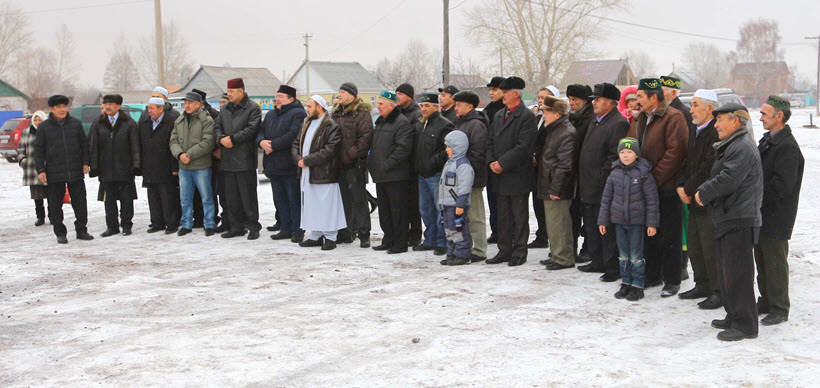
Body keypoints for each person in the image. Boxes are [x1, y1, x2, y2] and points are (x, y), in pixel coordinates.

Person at [695, 103, 762, 342]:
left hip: (739, 218)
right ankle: (734, 315)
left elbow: (729, 178)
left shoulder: (742, 146)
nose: (716, 125)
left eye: (720, 120)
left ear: (735, 120)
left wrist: (704, 191)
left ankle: (745, 325)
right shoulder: (733, 144)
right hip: (728, 217)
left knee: (738, 274)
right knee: (727, 272)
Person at [626, 78, 689, 297]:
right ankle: (652, 275)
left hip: (666, 188)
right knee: (649, 233)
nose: (637, 101)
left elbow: (675, 153)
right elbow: (631, 144)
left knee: (670, 235)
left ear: (654, 97)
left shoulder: (673, 117)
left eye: (641, 96)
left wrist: (653, 179)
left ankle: (672, 279)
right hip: (644, 186)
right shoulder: (641, 118)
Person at [755, 95, 805, 326]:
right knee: (762, 261)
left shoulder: (787, 147)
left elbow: (782, 186)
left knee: (775, 263)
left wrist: (756, 197)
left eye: (765, 113)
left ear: (780, 116)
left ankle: (779, 307)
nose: (761, 118)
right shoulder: (768, 141)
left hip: (776, 216)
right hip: (761, 214)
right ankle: (766, 300)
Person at [576, 83, 630, 281]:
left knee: (607, 229)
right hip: (588, 184)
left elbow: (614, 157)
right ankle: (597, 260)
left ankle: (612, 267)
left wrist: (601, 179)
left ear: (611, 102)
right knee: (592, 225)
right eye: (594, 99)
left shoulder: (618, 123)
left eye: (598, 99)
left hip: (604, 186)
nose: (594, 103)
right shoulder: (595, 121)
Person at [598, 137, 659, 301]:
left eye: (629, 152)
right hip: (619, 222)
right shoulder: (614, 174)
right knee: (623, 254)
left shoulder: (644, 174)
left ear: (636, 155)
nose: (625, 155)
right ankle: (626, 282)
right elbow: (606, 199)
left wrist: (652, 223)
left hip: (636, 223)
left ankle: (637, 285)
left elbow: (652, 201)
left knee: (636, 256)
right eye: (622, 152)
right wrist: (603, 221)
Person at [676, 89, 721, 309]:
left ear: (709, 108)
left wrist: (688, 188)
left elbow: (708, 167)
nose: (691, 110)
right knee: (695, 245)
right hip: (692, 198)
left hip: (707, 199)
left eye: (695, 105)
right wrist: (680, 185)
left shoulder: (716, 132)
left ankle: (717, 290)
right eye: (691, 105)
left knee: (710, 247)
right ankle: (701, 284)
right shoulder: (696, 130)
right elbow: (687, 161)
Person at [486, 76, 537, 266]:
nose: (503, 95)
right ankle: (504, 249)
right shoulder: (500, 115)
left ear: (516, 94)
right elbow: (490, 141)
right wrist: (492, 161)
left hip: (517, 174)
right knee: (503, 215)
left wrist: (502, 163)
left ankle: (519, 251)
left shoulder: (526, 116)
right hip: (499, 175)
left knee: (519, 215)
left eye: (506, 92)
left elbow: (524, 147)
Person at [34, 95, 94, 244]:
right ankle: (60, 232)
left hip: (75, 170)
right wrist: (41, 170)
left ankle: (81, 230)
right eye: (58, 107)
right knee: (55, 205)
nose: (62, 109)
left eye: (64, 106)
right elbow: (38, 151)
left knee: (80, 202)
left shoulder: (75, 124)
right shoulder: (44, 127)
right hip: (54, 172)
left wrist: (85, 162)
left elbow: (84, 145)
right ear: (51, 109)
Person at [292, 95, 346, 250]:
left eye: (310, 106)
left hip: (324, 174)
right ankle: (315, 236)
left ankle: (330, 237)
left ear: (319, 107)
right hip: (307, 173)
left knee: (326, 207)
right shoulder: (306, 123)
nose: (307, 109)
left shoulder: (331, 126)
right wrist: (298, 159)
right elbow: (296, 143)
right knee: (311, 206)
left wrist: (307, 160)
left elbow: (329, 150)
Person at [257, 84, 307, 243]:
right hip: (272, 164)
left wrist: (273, 145)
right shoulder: (271, 114)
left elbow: (293, 135)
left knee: (294, 199)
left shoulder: (298, 113)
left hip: (289, 164)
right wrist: (261, 142)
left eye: (280, 96)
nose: (277, 99)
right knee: (280, 200)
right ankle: (285, 228)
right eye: (276, 96)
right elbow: (260, 130)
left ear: (291, 99)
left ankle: (297, 230)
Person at [214, 78, 263, 240]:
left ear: (241, 91)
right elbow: (217, 127)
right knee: (231, 197)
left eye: (232, 91)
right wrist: (221, 139)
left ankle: (253, 226)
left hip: (244, 159)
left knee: (248, 196)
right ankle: (236, 227)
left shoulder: (253, 108)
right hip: (227, 160)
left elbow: (251, 129)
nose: (229, 94)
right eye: (228, 91)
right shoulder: (225, 109)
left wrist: (233, 139)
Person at [369, 90, 414, 254]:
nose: (378, 107)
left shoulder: (401, 123)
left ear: (391, 105)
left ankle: (400, 243)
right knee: (385, 211)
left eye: (381, 104)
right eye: (378, 104)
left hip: (396, 176)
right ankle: (388, 239)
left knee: (398, 211)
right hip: (381, 175)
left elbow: (403, 149)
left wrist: (387, 165)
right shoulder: (381, 122)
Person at [89, 94, 140, 237]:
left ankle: (126, 225)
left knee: (126, 199)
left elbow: (135, 146)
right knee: (109, 200)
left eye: (111, 104)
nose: (108, 107)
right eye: (106, 104)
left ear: (118, 106)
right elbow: (93, 146)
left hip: (125, 168)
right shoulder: (98, 123)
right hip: (106, 169)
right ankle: (112, 227)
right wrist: (94, 166)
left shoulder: (128, 123)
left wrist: (136, 165)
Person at [536, 96, 577, 270]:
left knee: (559, 223)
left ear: (557, 114)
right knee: (553, 223)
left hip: (557, 187)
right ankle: (556, 254)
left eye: (546, 112)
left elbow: (565, 165)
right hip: (550, 183)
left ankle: (563, 258)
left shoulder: (565, 132)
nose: (543, 115)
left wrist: (556, 188)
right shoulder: (555, 130)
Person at [169, 92, 216, 236]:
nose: (187, 105)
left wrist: (189, 154)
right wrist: (180, 154)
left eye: (190, 103)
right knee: (185, 198)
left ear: (198, 104)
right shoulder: (179, 120)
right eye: (185, 103)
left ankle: (209, 224)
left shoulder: (207, 120)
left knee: (206, 197)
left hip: (201, 166)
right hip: (184, 167)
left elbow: (208, 142)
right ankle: (186, 224)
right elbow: (173, 141)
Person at [332, 82, 373, 248]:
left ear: (352, 95)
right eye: (339, 92)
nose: (339, 95)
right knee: (343, 200)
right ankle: (347, 232)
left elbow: (365, 138)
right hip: (338, 164)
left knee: (359, 200)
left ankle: (364, 234)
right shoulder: (336, 113)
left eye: (343, 92)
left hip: (355, 164)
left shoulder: (361, 113)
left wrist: (350, 154)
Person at [413, 92, 453, 255]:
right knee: (425, 209)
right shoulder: (420, 124)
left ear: (436, 107)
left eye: (427, 106)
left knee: (439, 209)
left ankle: (442, 241)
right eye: (422, 106)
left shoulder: (444, 125)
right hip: (422, 174)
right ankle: (429, 239)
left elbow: (447, 150)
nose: (424, 109)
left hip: (436, 174)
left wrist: (432, 163)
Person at [453, 90, 489, 262]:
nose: (455, 108)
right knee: (463, 216)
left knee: (475, 215)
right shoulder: (461, 123)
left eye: (458, 105)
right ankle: (466, 247)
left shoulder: (476, 125)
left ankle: (479, 249)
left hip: (472, 177)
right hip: (461, 177)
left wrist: (465, 172)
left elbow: (478, 152)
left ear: (469, 106)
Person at [138, 97, 181, 234]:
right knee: (153, 197)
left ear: (161, 108)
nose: (149, 111)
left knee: (168, 197)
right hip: (149, 165)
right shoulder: (145, 123)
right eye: (148, 108)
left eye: (152, 108)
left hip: (166, 165)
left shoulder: (171, 122)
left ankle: (171, 223)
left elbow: (174, 144)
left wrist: (175, 167)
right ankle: (157, 223)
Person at [438, 130, 474, 266]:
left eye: (449, 147)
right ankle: (451, 253)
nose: (447, 150)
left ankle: (462, 254)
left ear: (458, 147)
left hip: (456, 205)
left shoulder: (463, 166)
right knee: (449, 230)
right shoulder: (449, 163)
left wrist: (460, 204)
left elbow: (464, 187)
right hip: (447, 204)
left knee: (459, 230)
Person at [396, 82, 423, 247]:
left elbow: (415, 139)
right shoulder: (398, 112)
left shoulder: (416, 114)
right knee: (402, 202)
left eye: (400, 94)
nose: (397, 97)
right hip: (401, 166)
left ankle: (416, 233)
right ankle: (404, 232)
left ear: (409, 96)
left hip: (412, 165)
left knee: (413, 202)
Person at [528, 86, 554, 249]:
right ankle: (541, 234)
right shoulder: (538, 118)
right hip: (535, 168)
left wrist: (537, 156)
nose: (540, 100)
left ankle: (547, 235)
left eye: (544, 97)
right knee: (537, 202)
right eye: (538, 97)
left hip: (546, 167)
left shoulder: (554, 121)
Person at [483, 76, 505, 244]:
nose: (491, 93)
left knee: (504, 202)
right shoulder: (488, 110)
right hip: (490, 162)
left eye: (495, 90)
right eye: (490, 90)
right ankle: (496, 231)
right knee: (492, 200)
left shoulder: (506, 110)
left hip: (504, 163)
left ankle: (506, 232)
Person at [17, 110, 49, 226]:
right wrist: (23, 161)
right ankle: (40, 217)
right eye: (35, 120)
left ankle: (53, 215)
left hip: (48, 168)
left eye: (39, 119)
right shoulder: (26, 133)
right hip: (32, 169)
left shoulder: (49, 132)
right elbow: (21, 149)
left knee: (52, 194)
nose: (37, 122)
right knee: (37, 195)